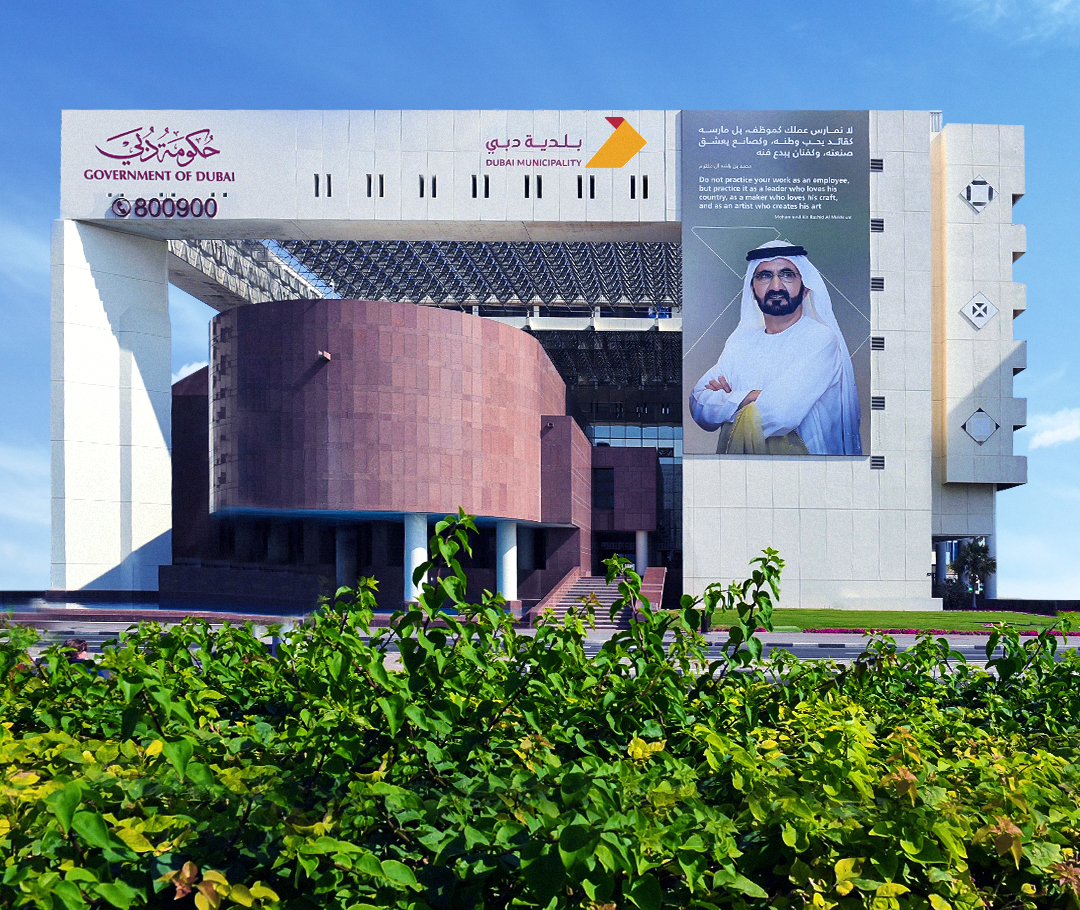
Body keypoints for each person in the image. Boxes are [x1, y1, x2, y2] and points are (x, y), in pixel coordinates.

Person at [689, 239, 861, 455]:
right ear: (753, 289)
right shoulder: (740, 343)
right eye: (764, 276)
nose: (776, 286)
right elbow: (699, 405)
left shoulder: (819, 338)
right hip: (745, 470)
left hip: (808, 467)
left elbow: (780, 414)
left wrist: (729, 400)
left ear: (805, 289)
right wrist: (753, 396)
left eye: (787, 275)